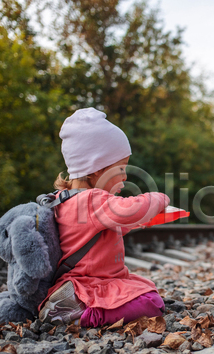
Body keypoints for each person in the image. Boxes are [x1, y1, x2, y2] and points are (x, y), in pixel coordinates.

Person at [38, 108, 169, 327]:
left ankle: (73, 305)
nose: (125, 176)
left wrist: (139, 221)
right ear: (98, 169)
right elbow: (130, 208)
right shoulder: (91, 200)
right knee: (152, 302)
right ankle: (82, 314)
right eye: (121, 168)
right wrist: (158, 199)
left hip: (90, 280)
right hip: (90, 284)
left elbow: (100, 230)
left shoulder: (67, 198)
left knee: (145, 286)